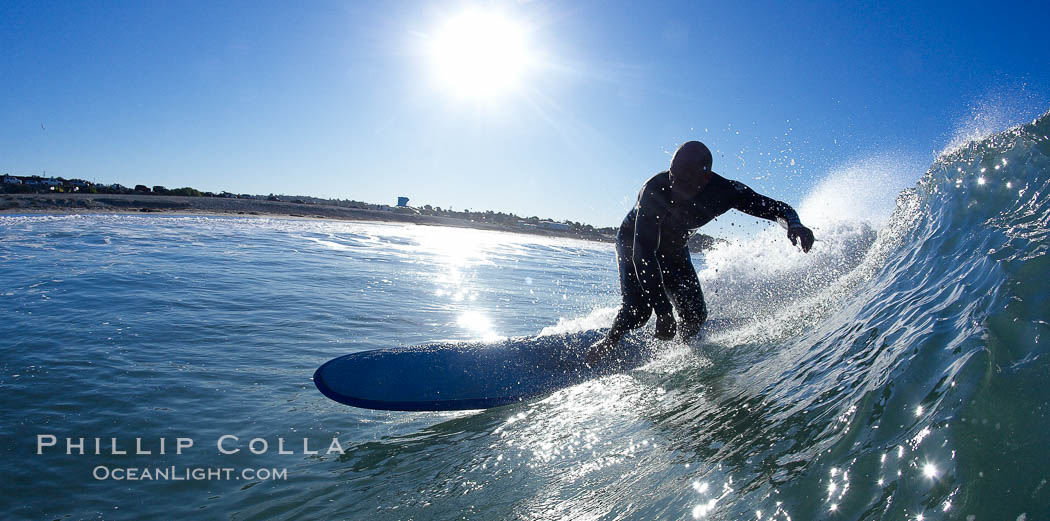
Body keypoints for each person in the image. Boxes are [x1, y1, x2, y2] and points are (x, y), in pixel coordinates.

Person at [586, 141, 815, 363]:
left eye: (683, 181)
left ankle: (685, 354)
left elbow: (777, 208)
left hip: (675, 247)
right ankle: (610, 341)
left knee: (695, 315)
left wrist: (794, 223)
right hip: (634, 242)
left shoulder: (725, 192)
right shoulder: (655, 190)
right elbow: (644, 254)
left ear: (705, 178)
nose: (674, 187)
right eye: (672, 177)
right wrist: (663, 310)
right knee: (639, 312)